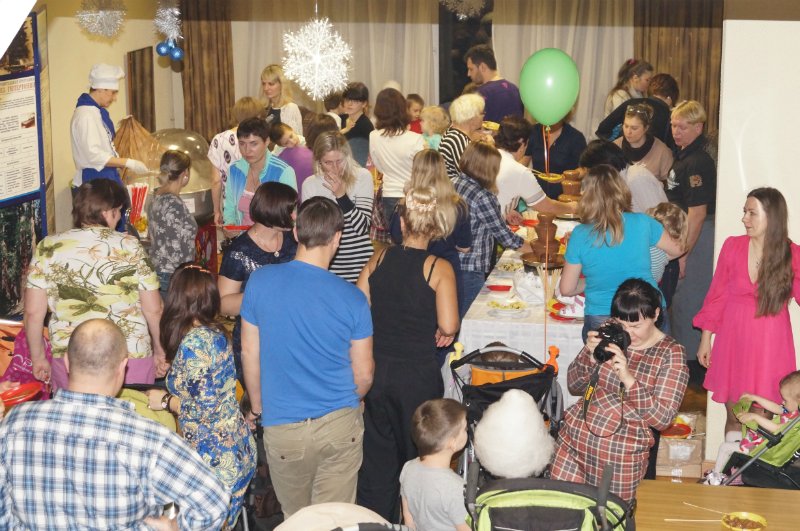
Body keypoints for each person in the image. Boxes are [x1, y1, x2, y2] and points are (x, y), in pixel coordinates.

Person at [0, 319, 229, 530]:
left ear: (67, 363)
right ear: (123, 367)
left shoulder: (14, 424)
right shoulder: (150, 438)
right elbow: (213, 504)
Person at [240, 197, 374, 518]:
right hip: (340, 423)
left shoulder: (260, 281)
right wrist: (346, 401)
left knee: (297, 519)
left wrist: (257, 405)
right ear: (337, 238)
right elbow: (364, 374)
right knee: (334, 520)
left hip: (284, 426)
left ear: (296, 232)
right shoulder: (353, 298)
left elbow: (249, 352)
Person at [357, 186, 460, 521]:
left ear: (401, 223)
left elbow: (359, 305)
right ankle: (415, 519)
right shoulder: (438, 268)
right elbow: (449, 324)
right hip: (416, 375)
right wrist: (444, 330)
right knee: (417, 454)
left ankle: (376, 521)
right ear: (436, 228)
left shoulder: (378, 258)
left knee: (378, 457)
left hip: (377, 370)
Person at [550, 279, 689, 502]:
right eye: (622, 324)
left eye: (636, 326)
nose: (628, 333)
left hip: (620, 457)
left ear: (655, 314)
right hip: (574, 441)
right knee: (561, 510)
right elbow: (574, 385)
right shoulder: (612, 333)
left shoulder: (670, 353)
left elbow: (663, 419)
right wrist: (589, 355)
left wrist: (628, 379)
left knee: (610, 517)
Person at [24, 179, 166, 390]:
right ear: (107, 212)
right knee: (132, 410)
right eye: (118, 211)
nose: (119, 218)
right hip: (129, 355)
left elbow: (33, 312)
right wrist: (160, 350)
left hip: (71, 358)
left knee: (75, 411)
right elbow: (154, 309)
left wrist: (38, 358)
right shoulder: (130, 246)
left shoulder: (47, 247)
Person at [146, 264, 257, 528]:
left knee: (169, 510)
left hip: (214, 462)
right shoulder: (215, 333)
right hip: (236, 448)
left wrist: (166, 401)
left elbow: (205, 408)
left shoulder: (194, 345)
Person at [695, 188, 800, 435]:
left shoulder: (792, 254)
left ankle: (756, 462)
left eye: (752, 213)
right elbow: (717, 296)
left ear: (771, 216)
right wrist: (705, 338)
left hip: (771, 344)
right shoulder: (733, 246)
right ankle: (730, 461)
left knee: (762, 418)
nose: (744, 219)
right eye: (744, 212)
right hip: (734, 340)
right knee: (735, 415)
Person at [559, 165, 683, 341]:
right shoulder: (643, 221)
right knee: (655, 358)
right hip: (646, 310)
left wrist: (595, 279)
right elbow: (678, 249)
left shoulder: (579, 234)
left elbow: (567, 289)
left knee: (607, 359)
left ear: (585, 196)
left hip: (603, 313)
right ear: (622, 191)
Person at [218, 182, 298, 379]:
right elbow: (224, 304)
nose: (296, 215)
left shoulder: (293, 239)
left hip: (291, 337)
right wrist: (263, 293)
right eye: (291, 210)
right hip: (256, 342)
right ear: (274, 211)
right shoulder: (239, 252)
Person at [388, 150, 471, 317]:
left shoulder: (405, 205)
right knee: (448, 322)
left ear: (415, 171)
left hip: (412, 272)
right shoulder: (458, 205)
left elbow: (396, 238)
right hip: (448, 271)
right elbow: (465, 247)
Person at [666, 100, 717, 362]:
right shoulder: (685, 155)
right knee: (681, 299)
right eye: (674, 125)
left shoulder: (697, 161)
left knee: (689, 298)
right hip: (686, 230)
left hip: (698, 233)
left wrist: (684, 252)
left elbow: (697, 213)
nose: (676, 132)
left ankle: (691, 364)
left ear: (698, 128)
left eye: (682, 127)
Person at [454, 142, 528, 316]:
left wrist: (502, 216)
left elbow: (475, 219)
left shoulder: (454, 182)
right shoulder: (483, 196)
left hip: (450, 261)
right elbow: (506, 237)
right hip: (471, 267)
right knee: (470, 317)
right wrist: (534, 249)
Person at [302, 131, 374, 282]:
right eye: (328, 162)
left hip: (359, 264)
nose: (335, 168)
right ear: (318, 161)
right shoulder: (310, 184)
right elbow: (310, 232)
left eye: (339, 161)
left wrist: (341, 196)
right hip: (326, 266)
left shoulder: (362, 176)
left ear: (347, 156)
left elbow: (362, 228)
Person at [70, 63, 148, 187]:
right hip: (96, 178)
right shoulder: (86, 115)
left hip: (105, 175)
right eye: (113, 92)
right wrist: (127, 162)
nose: (115, 98)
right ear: (101, 89)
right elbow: (93, 155)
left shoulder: (95, 112)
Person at [400, 399, 470, 531]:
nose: (467, 430)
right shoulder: (456, 488)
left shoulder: (408, 468)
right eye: (465, 429)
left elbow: (408, 518)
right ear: (452, 443)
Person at [713, 370, 800, 474]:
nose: (782, 402)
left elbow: (777, 428)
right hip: (764, 441)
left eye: (785, 400)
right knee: (731, 435)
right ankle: (733, 470)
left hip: (765, 449)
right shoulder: (794, 412)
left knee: (725, 447)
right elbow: (777, 408)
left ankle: (716, 476)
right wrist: (754, 398)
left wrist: (754, 417)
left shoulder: (796, 421)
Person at [493, 116, 578, 221]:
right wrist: (572, 207)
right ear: (521, 142)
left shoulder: (488, 156)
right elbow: (546, 206)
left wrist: (506, 210)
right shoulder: (520, 172)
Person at [223, 117, 297, 227]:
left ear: (267, 141)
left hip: (273, 236)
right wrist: (230, 225)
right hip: (241, 235)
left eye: (253, 144)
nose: (247, 150)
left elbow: (290, 218)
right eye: (242, 144)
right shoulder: (234, 170)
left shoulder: (283, 172)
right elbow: (229, 208)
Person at [208, 96, 267, 226]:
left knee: (233, 235)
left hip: (229, 203)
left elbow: (216, 181)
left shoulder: (218, 139)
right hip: (257, 202)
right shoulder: (258, 139)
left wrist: (216, 210)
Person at [369, 87, 425, 220]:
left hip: (389, 193)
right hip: (414, 194)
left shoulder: (373, 136)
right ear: (403, 109)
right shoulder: (416, 138)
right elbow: (424, 170)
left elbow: (379, 167)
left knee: (393, 232)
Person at [149, 150, 198, 295]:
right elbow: (178, 247)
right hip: (173, 276)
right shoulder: (174, 204)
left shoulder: (156, 197)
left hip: (159, 271)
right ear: (185, 173)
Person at [579, 139, 667, 214]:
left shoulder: (637, 179)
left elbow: (659, 218)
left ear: (603, 167)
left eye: (591, 173)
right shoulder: (615, 181)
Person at [597, 72, 679, 150]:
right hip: (653, 158)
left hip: (623, 155)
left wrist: (615, 139)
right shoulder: (671, 116)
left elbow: (603, 128)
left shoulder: (631, 103)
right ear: (669, 98)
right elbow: (673, 148)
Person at [521, 117, 587, 199]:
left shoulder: (576, 137)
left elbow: (584, 170)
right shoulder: (534, 131)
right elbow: (524, 160)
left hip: (564, 197)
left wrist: (564, 177)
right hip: (535, 195)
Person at [463, 44, 523, 125]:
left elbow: (474, 127)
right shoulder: (514, 89)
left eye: (471, 69)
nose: (468, 74)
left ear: (482, 67)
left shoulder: (481, 94)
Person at [613, 103, 673, 181]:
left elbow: (670, 183)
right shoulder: (614, 147)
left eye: (634, 128)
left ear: (646, 128)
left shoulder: (662, 152)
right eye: (626, 126)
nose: (628, 132)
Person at [439, 93, 485, 180]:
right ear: (472, 117)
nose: (484, 116)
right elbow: (471, 175)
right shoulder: (456, 139)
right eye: (482, 113)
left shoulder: (455, 133)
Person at [270, 122, 314, 193]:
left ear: (292, 129)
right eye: (286, 143)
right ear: (282, 145)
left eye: (291, 136)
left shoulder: (304, 140)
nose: (292, 141)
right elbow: (272, 158)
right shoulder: (278, 149)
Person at [261, 64, 304, 135]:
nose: (266, 88)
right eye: (263, 84)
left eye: (271, 84)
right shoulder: (265, 108)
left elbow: (295, 139)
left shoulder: (291, 108)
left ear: (282, 85)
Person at [340, 81, 374, 166]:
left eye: (355, 100)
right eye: (347, 99)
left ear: (364, 103)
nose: (349, 104)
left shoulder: (366, 125)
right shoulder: (342, 118)